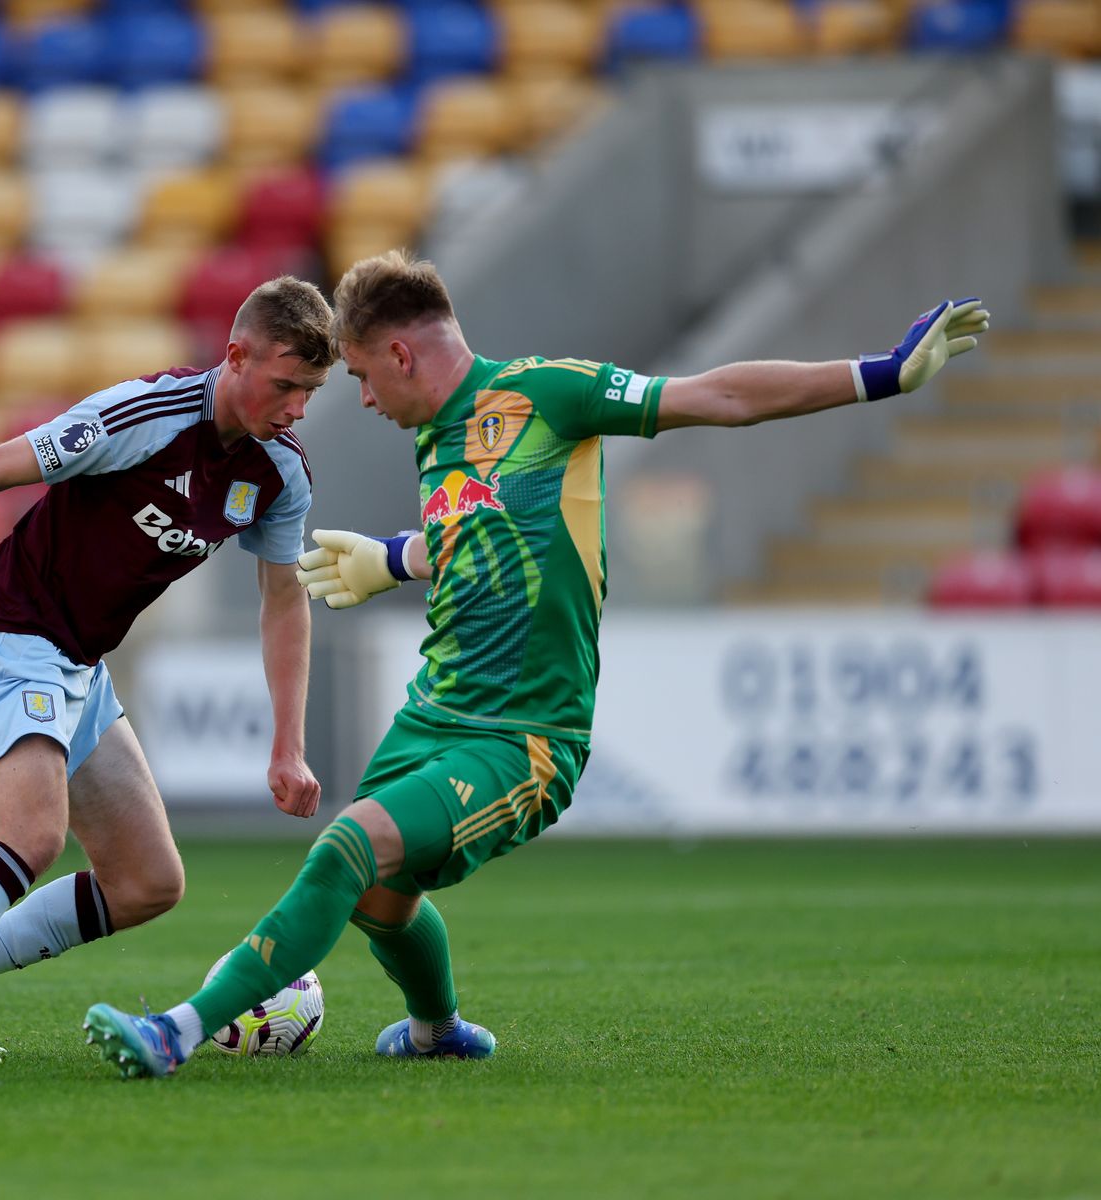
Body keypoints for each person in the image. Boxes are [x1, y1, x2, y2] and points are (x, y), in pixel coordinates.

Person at [83, 248, 989, 1078]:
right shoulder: (438, 442)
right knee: (380, 901)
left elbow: (718, 395)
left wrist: (881, 375)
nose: (358, 399)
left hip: (524, 736)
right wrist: (394, 559)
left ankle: (178, 1030)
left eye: (358, 375)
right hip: (434, 711)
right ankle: (439, 1031)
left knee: (347, 850)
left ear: (399, 355)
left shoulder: (547, 394)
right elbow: (484, 531)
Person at [0, 277, 334, 1065]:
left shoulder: (279, 473)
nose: (295, 407)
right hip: (12, 633)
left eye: (311, 392)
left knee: (147, 881)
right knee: (33, 834)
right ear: (235, 356)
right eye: (286, 385)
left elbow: (284, 599)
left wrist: (286, 745)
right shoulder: (144, 417)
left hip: (79, 665)